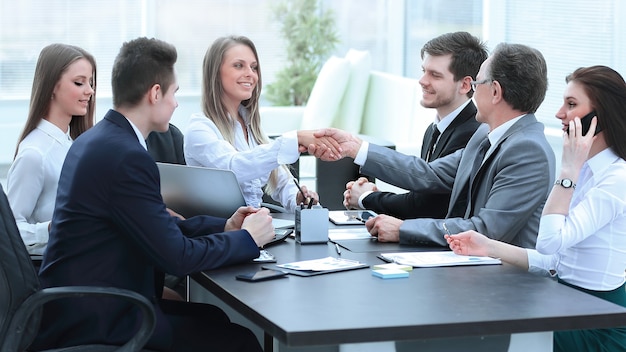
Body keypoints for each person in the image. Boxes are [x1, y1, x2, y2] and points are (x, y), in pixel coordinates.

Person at [31, 37, 271, 351]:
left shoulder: (98, 141)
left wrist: (224, 227)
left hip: (83, 307)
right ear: (155, 93)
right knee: (240, 341)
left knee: (216, 319)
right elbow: (176, 256)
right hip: (100, 320)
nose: (175, 104)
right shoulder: (125, 156)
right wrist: (247, 240)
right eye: (174, 94)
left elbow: (156, 225)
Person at [446, 65, 626, 352]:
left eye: (571, 104)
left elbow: (550, 241)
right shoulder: (587, 171)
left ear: (598, 117)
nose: (558, 114)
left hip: (597, 326)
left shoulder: (616, 180)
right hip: (567, 306)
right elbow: (556, 261)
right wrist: (488, 247)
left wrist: (568, 170)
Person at [310, 43, 556, 249]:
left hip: (507, 286)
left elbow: (486, 229)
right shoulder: (485, 134)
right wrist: (356, 147)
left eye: (477, 83)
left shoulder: (528, 151)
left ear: (495, 92)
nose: (472, 91)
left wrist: (404, 228)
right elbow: (429, 174)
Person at [184, 35, 339, 213]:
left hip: (258, 230)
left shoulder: (251, 127)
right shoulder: (200, 129)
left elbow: (280, 183)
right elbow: (233, 168)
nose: (250, 74)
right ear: (215, 72)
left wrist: (297, 198)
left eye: (254, 67)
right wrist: (294, 139)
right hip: (221, 234)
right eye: (238, 65)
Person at [343, 31, 487, 220]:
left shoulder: (473, 135)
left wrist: (366, 197)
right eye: (423, 71)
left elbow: (426, 207)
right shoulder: (433, 130)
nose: (422, 81)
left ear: (465, 85)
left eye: (435, 75)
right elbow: (421, 193)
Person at [6, 43, 96, 256]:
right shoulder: (35, 155)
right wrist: (50, 228)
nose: (90, 90)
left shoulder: (73, 145)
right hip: (57, 272)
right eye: (79, 82)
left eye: (90, 83)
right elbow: (8, 232)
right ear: (52, 85)